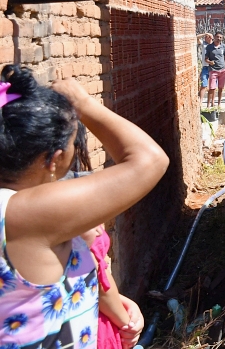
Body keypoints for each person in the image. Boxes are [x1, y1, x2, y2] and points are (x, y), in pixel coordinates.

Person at [0, 65, 169, 349]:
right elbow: (150, 160)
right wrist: (83, 104)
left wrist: (98, 298)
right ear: (53, 160)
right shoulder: (26, 215)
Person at [81, 224, 128, 349]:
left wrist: (124, 302)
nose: (99, 231)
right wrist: (127, 324)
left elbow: (101, 273)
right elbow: (96, 279)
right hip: (92, 333)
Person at [204, 32, 225, 109]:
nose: (219, 39)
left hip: (222, 70)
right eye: (217, 37)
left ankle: (219, 104)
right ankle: (208, 105)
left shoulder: (223, 46)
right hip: (213, 70)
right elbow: (206, 59)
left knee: (221, 88)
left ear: (222, 38)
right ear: (214, 37)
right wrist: (210, 62)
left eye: (220, 37)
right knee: (212, 88)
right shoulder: (209, 47)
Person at [198, 34, 213, 105]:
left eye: (209, 37)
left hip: (213, 67)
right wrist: (204, 33)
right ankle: (200, 101)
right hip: (205, 67)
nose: (207, 38)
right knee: (203, 85)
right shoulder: (203, 43)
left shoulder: (214, 44)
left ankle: (211, 102)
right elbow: (196, 38)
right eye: (206, 37)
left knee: (212, 86)